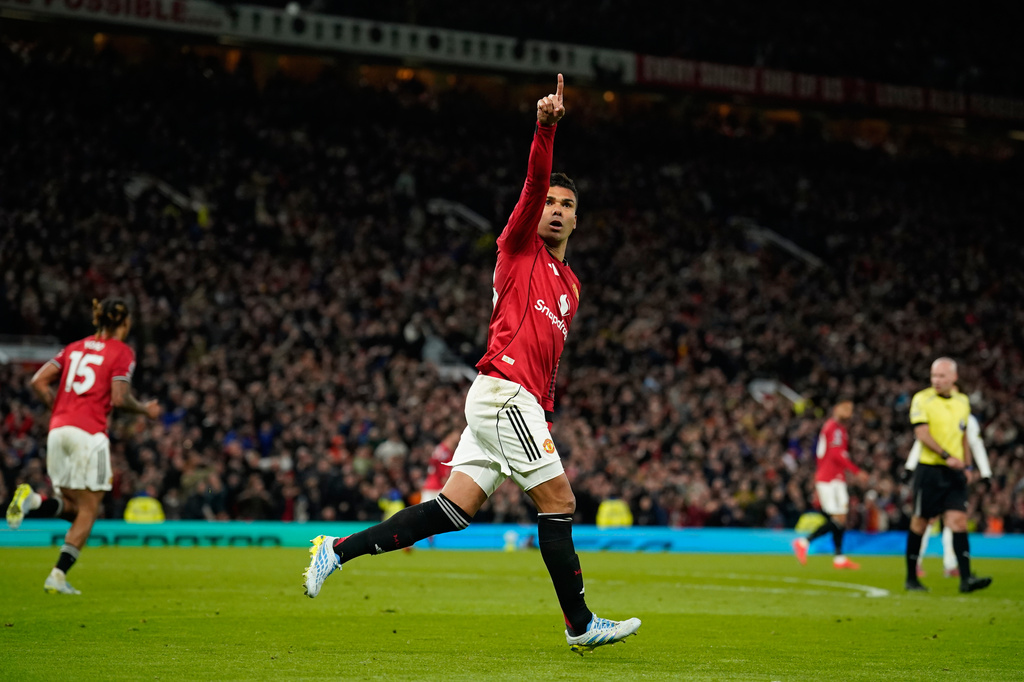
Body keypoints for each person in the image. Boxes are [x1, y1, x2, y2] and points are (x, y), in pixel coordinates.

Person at [302, 74, 641, 654]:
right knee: (559, 501)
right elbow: (535, 179)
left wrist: (546, 412)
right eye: (551, 204)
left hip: (518, 399)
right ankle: (580, 625)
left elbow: (548, 361)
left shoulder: (572, 288)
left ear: (578, 221)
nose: (556, 211)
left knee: (451, 510)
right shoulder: (516, 249)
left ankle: (337, 550)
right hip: (501, 391)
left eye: (568, 206)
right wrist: (545, 128)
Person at [5, 298, 161, 594]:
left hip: (58, 430)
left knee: (74, 507)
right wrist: (145, 410)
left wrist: (59, 410)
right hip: (88, 434)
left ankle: (35, 502)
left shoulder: (75, 347)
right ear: (124, 323)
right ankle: (57, 576)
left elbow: (38, 382)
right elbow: (118, 397)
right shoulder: (122, 352)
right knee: (90, 510)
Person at [903, 358, 991, 593]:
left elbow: (963, 437)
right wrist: (945, 456)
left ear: (954, 378)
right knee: (920, 523)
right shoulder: (922, 399)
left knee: (958, 521)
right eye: (934, 376)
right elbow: (921, 433)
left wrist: (968, 467)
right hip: (930, 471)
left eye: (942, 376)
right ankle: (911, 578)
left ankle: (965, 579)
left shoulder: (963, 402)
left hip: (955, 472)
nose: (936, 380)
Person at [791, 398, 867, 569]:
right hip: (828, 479)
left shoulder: (839, 429)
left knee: (841, 516)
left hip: (836, 478)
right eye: (845, 408)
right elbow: (835, 454)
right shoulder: (833, 428)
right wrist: (856, 471)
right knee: (838, 518)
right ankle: (804, 541)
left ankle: (839, 558)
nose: (848, 412)